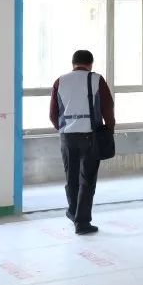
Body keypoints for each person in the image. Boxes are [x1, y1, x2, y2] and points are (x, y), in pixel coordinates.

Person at [49, 49, 114, 236]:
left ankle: (73, 212)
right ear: (90, 64)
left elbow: (53, 114)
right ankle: (82, 223)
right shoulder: (97, 79)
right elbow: (108, 108)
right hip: (90, 136)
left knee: (71, 178)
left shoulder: (60, 81)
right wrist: (109, 130)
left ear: (73, 64)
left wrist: (63, 129)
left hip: (67, 137)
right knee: (87, 180)